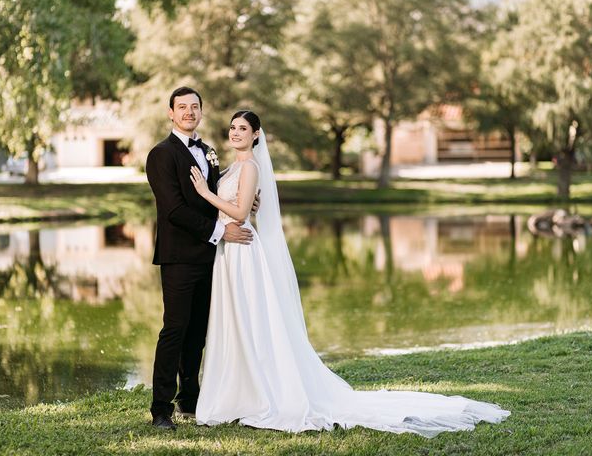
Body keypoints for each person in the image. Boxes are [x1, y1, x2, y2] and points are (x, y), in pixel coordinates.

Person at [189, 110, 511, 437]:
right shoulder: (233, 167)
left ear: (256, 135)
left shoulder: (251, 167)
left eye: (243, 128)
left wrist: (206, 193)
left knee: (249, 320)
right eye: (233, 128)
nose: (236, 133)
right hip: (229, 251)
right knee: (236, 320)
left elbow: (241, 212)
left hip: (243, 250)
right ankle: (236, 390)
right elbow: (241, 205)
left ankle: (257, 391)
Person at [145, 87, 257, 430]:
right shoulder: (160, 154)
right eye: (182, 107)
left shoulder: (207, 151)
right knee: (175, 329)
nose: (189, 112)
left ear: (201, 112)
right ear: (171, 113)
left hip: (212, 257)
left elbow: (215, 197)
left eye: (194, 107)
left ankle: (189, 399)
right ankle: (161, 408)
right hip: (179, 256)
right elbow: (175, 210)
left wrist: (244, 201)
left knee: (199, 333)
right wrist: (220, 231)